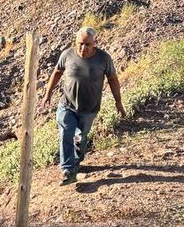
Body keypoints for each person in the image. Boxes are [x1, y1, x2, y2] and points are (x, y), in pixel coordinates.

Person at [40, 26, 127, 185]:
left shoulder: (103, 59)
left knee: (80, 138)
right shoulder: (67, 55)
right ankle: (68, 170)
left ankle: (77, 159)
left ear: (95, 43)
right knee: (66, 133)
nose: (83, 48)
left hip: (89, 109)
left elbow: (113, 79)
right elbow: (57, 72)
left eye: (87, 44)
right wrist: (48, 94)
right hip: (67, 105)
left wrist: (118, 102)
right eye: (80, 43)